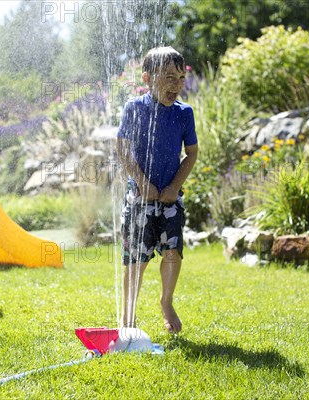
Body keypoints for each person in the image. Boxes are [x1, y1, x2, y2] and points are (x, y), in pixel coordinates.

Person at [116, 47, 198, 334]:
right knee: (137, 257)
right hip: (139, 197)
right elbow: (122, 149)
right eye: (167, 77)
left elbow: (191, 154)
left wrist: (174, 186)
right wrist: (141, 182)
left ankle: (167, 300)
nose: (175, 85)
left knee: (172, 250)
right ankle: (129, 315)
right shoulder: (134, 109)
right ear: (148, 78)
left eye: (179, 78)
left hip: (170, 197)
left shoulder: (184, 113)